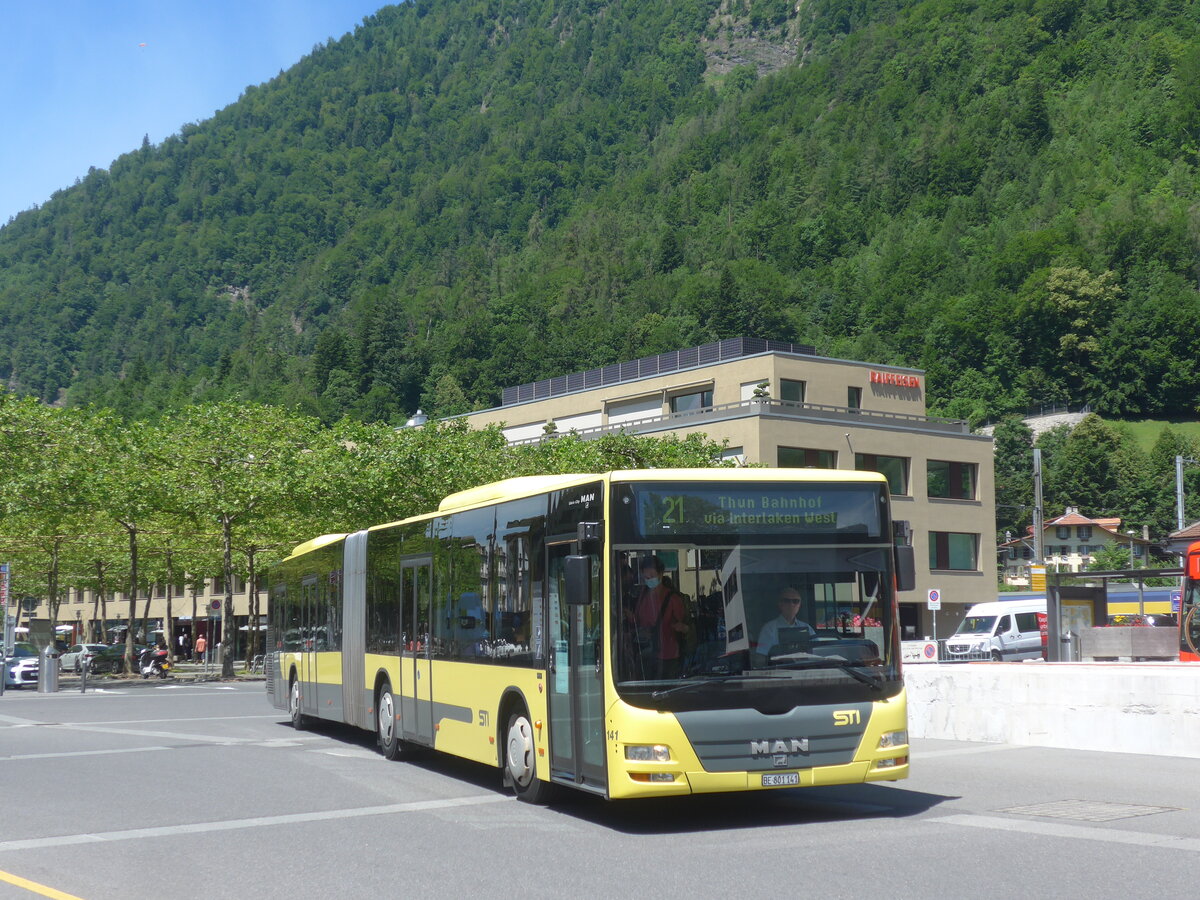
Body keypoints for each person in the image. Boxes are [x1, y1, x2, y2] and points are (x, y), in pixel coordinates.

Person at [632, 556, 687, 679]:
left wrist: (680, 627)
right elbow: (638, 619)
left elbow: (685, 626)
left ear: (661, 574)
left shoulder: (673, 598)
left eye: (652, 575)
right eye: (646, 577)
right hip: (648, 653)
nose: (649, 579)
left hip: (669, 655)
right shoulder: (643, 595)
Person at [755, 587, 816, 664]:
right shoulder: (769, 629)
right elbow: (760, 658)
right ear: (780, 604)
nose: (791, 604)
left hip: (805, 672)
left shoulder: (807, 628)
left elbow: (817, 652)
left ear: (799, 605)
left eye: (795, 601)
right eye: (787, 601)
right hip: (779, 672)